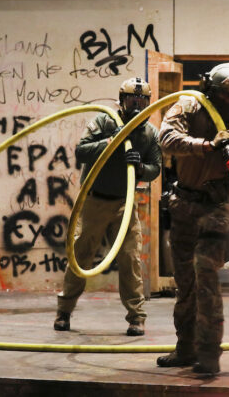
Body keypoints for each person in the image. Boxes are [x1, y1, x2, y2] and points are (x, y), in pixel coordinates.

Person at [156, 62, 229, 375]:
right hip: (183, 205)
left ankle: (209, 353)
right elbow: (166, 138)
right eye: (222, 94)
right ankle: (185, 348)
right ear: (209, 90)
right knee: (185, 283)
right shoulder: (189, 106)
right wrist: (206, 145)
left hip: (218, 209)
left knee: (205, 275)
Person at [54, 77, 162, 336]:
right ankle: (64, 311)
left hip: (125, 205)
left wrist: (139, 168)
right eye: (131, 101)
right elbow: (81, 152)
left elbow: (155, 168)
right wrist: (110, 142)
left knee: (130, 258)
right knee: (80, 256)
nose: (136, 106)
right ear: (121, 101)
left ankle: (137, 317)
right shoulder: (104, 122)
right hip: (93, 201)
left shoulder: (149, 133)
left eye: (141, 101)